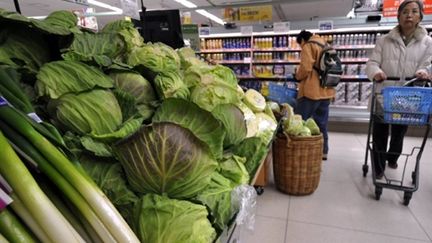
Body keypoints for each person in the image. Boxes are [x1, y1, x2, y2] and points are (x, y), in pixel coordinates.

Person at [365, 0, 432, 178]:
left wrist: (425, 72)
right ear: (398, 16)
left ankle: (392, 158)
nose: (409, 15)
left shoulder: (428, 43)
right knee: (379, 132)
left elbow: (430, 65)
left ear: (420, 16)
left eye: (414, 11)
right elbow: (371, 63)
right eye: (405, 12)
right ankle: (378, 170)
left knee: (398, 133)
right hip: (384, 95)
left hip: (409, 98)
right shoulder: (384, 40)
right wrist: (377, 72)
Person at [295, 30, 335, 160]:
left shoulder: (308, 45)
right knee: (321, 124)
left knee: (299, 121)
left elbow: (306, 68)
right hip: (326, 91)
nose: (300, 47)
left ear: (302, 40)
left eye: (299, 45)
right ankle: (324, 151)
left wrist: (297, 76)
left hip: (311, 92)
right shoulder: (325, 44)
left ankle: (299, 150)